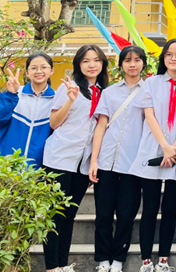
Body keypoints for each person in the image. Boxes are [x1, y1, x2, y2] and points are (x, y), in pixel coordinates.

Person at [42, 44, 109, 272]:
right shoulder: (69, 88)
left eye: (96, 60)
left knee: (70, 215)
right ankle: (52, 267)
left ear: (103, 63)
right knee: (55, 215)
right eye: (86, 60)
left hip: (83, 163)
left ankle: (62, 264)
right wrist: (71, 100)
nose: (92, 65)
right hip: (59, 158)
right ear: (79, 64)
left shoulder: (103, 92)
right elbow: (53, 123)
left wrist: (94, 161)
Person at [128, 39, 176, 272]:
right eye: (169, 54)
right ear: (163, 58)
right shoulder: (151, 83)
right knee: (150, 208)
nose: (173, 58)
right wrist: (164, 146)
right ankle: (146, 261)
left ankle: (163, 260)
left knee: (170, 209)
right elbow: (149, 116)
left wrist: (174, 148)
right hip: (152, 149)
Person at [88, 45, 147, 272]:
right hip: (106, 161)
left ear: (143, 63)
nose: (132, 64)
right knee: (103, 214)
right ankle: (103, 260)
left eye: (137, 60)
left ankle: (118, 260)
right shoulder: (109, 92)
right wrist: (94, 160)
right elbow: (101, 126)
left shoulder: (148, 91)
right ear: (121, 64)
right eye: (127, 60)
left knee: (126, 214)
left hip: (133, 164)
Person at [0, 52, 56, 168]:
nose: (39, 71)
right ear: (27, 73)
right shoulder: (15, 93)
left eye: (44, 67)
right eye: (34, 68)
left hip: (38, 168)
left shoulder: (56, 99)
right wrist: (11, 95)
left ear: (51, 71)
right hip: (6, 166)